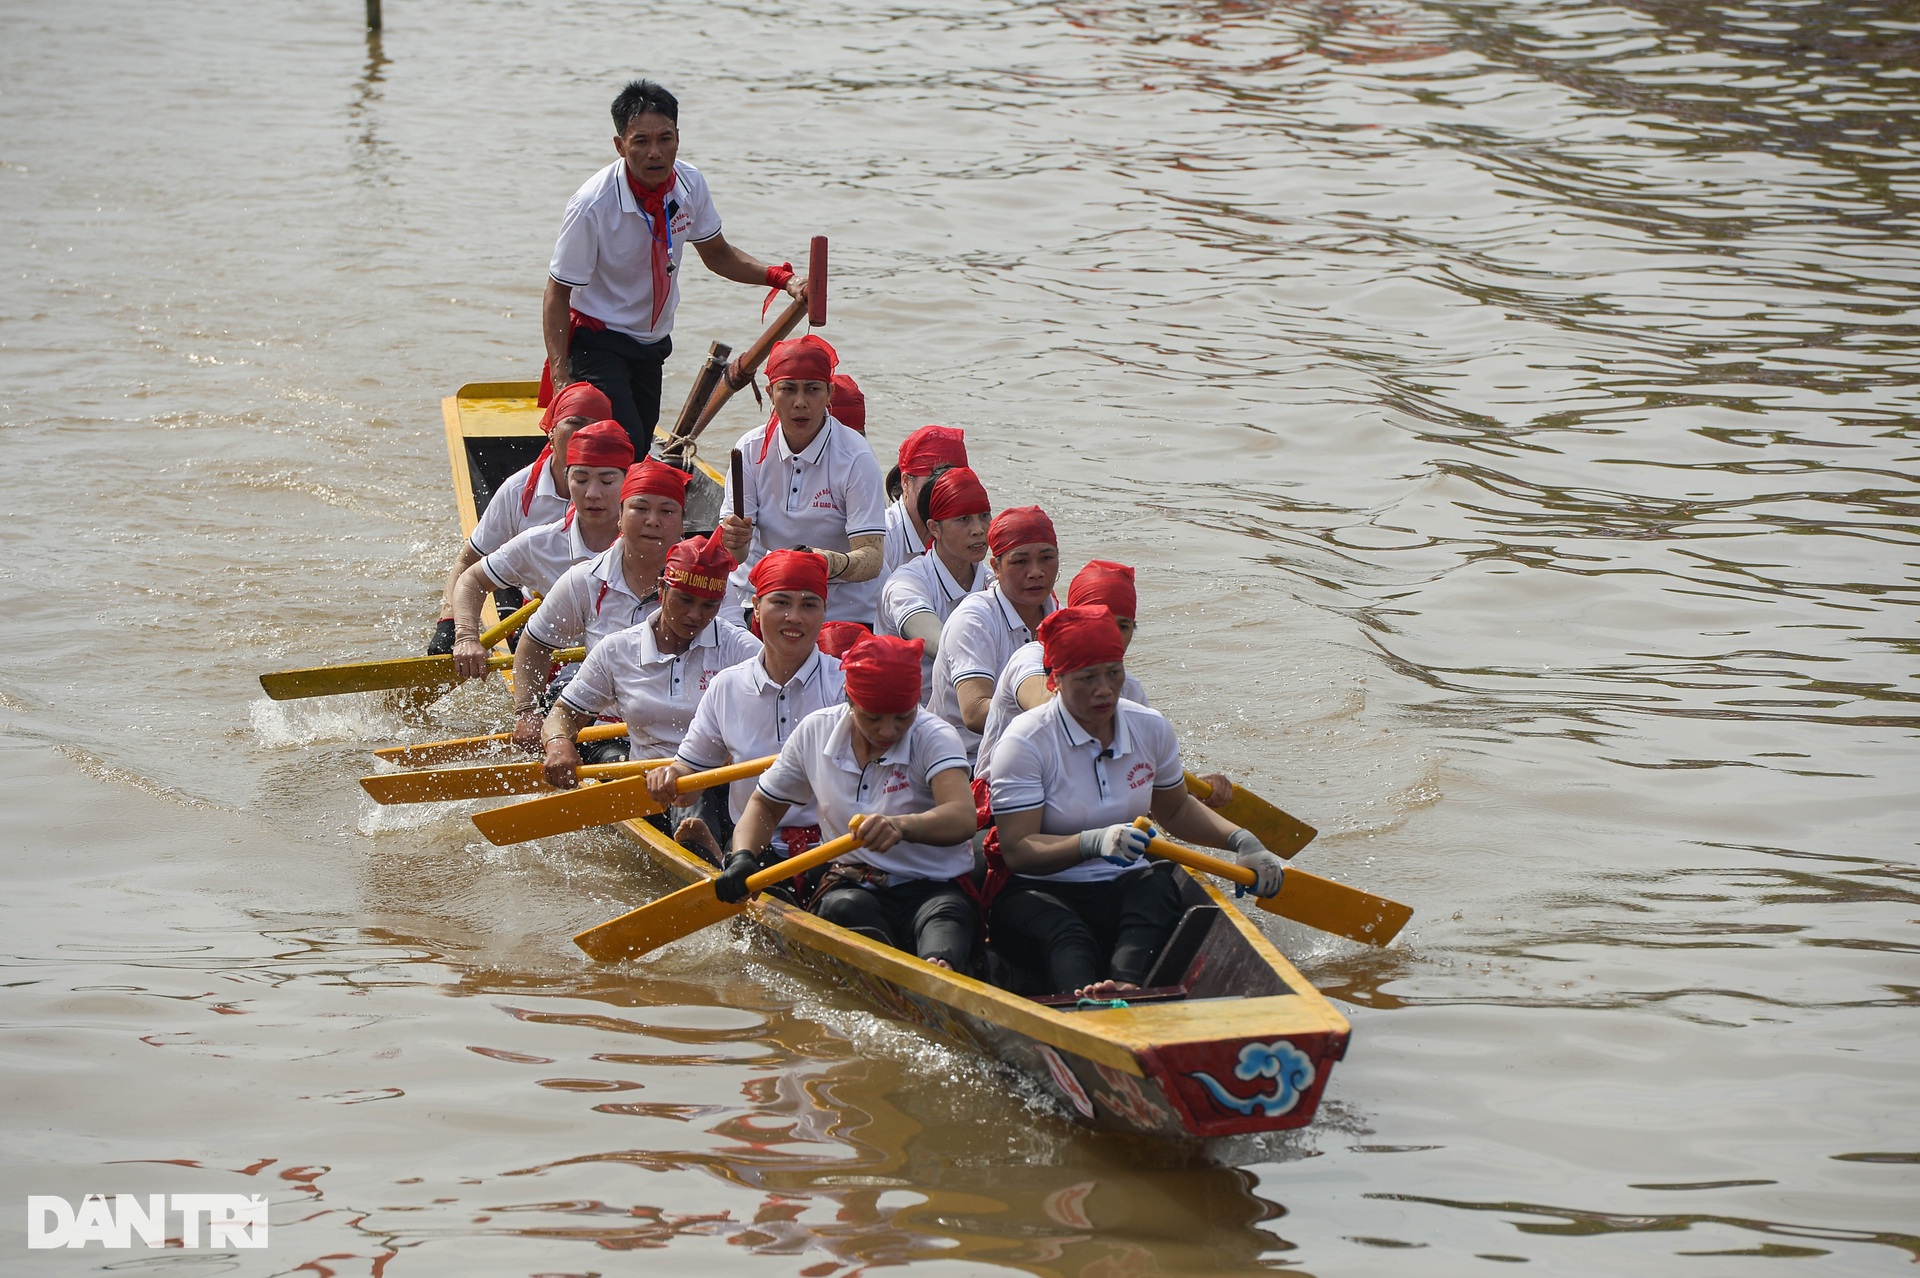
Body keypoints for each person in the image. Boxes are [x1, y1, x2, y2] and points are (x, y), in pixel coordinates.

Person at [987, 607, 1289, 999]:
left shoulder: (1150, 726)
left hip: (1121, 886)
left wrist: (1244, 842)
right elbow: (1018, 851)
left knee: (1158, 886)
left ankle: (1127, 987)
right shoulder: (1024, 743)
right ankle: (1082, 1001)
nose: (1104, 689)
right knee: (1069, 936)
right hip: (1040, 891)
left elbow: (1176, 810)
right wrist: (1090, 842)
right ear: (1055, 682)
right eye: (1087, 678)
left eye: (1113, 672)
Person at [544, 78, 806, 452]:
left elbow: (718, 255)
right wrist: (561, 378)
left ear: (678, 138)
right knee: (625, 445)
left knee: (641, 436)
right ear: (620, 146)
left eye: (665, 139)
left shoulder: (690, 183)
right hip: (597, 340)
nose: (655, 153)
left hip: (651, 343)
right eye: (641, 142)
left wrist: (785, 281)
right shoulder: (591, 205)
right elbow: (557, 293)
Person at [716, 635, 978, 971]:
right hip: (852, 886)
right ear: (849, 701)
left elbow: (962, 816)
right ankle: (895, 974)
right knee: (844, 910)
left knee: (947, 927)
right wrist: (742, 858)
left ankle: (938, 970)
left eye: (902, 717)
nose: (888, 731)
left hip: (932, 891)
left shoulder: (935, 736)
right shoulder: (815, 731)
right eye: (873, 718)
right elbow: (765, 806)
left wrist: (901, 827)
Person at [975, 558, 1234, 807]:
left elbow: (1141, 774)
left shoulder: (1129, 688)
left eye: (1122, 626)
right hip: (998, 808)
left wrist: (1184, 785)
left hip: (1082, 802)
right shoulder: (1032, 659)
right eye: (1100, 622)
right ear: (1072, 620)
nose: (1111, 636)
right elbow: (1044, 706)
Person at [537, 530, 759, 818]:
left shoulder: (740, 649)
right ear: (661, 589)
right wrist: (558, 744)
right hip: (646, 788)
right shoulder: (617, 649)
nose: (694, 615)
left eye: (709, 606)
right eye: (684, 600)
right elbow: (564, 714)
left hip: (721, 784)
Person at [654, 549, 842, 859]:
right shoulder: (726, 686)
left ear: (824, 611)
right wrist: (671, 777)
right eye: (780, 602)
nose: (794, 617)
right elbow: (690, 777)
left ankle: (715, 858)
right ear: (755, 607)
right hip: (751, 846)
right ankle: (718, 857)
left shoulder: (845, 686)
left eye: (809, 605)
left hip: (834, 848)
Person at [506, 458, 689, 751]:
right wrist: (527, 712)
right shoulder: (584, 580)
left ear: (683, 522)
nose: (653, 521)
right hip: (609, 734)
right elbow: (535, 643)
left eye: (667, 511)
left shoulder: (709, 584)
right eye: (640, 509)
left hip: (692, 736)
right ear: (620, 516)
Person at [718, 334, 888, 627]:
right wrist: (734, 541)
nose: (800, 403)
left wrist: (823, 563)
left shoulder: (856, 458)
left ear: (829, 393)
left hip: (843, 609)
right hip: (767, 596)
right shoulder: (747, 449)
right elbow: (736, 553)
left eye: (812, 390)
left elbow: (871, 558)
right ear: (770, 393)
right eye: (788, 389)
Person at [428, 381, 610, 653]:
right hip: (542, 617)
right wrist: (453, 625)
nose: (584, 434)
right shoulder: (517, 490)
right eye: (575, 422)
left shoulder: (628, 493)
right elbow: (468, 563)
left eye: (595, 426)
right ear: (551, 431)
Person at [448, 419, 633, 682]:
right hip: (561, 671)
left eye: (607, 481)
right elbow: (471, 579)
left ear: (629, 481)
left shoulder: (651, 544)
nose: (592, 493)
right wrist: (466, 636)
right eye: (580, 479)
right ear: (566, 479)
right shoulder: (540, 543)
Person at [926, 505, 1060, 767]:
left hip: (1031, 753)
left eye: (1046, 558)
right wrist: (1061, 713)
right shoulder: (975, 619)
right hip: (963, 762)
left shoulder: (1061, 616)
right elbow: (975, 712)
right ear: (995, 568)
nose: (1036, 572)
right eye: (1020, 561)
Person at [876, 465, 993, 701]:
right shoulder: (906, 583)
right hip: (908, 717)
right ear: (934, 528)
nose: (979, 530)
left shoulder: (994, 582)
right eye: (963, 519)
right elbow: (942, 645)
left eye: (984, 516)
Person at [880, 425, 968, 580]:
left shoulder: (965, 533)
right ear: (906, 481)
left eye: (953, 480)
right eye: (934, 479)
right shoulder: (883, 536)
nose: (944, 490)